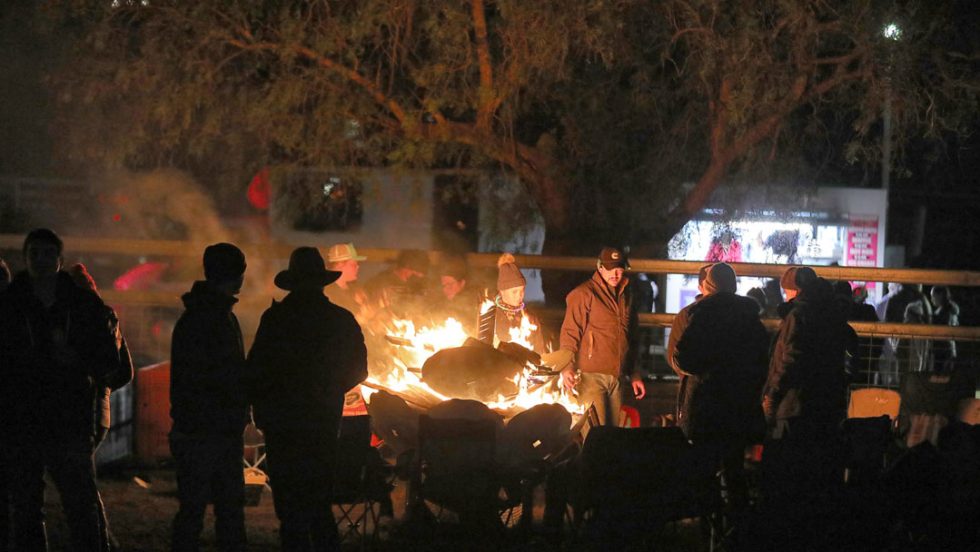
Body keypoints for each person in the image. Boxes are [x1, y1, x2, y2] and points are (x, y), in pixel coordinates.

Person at [0, 229, 118, 551]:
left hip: (60, 418)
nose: (41, 260)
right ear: (26, 258)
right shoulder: (13, 304)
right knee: (42, 506)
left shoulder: (75, 305)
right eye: (35, 253)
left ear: (59, 260)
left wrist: (77, 357)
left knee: (68, 504)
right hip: (32, 418)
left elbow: (107, 356)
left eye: (47, 253)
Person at [246, 247, 367, 551]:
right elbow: (358, 369)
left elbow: (256, 369)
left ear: (293, 282)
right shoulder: (340, 319)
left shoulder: (275, 319)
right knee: (318, 500)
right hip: (321, 420)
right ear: (321, 282)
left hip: (282, 423)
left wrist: (260, 409)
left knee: (289, 506)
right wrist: (329, 388)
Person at [667, 262, 769, 514]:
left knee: (704, 469)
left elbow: (682, 359)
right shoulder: (751, 319)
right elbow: (761, 365)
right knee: (734, 469)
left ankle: (708, 527)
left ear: (709, 285)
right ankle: (737, 528)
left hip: (706, 407)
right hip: (740, 408)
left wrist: (704, 370)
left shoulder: (701, 315)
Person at [169, 243, 249, 552]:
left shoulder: (194, 317)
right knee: (228, 513)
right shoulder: (219, 319)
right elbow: (224, 377)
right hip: (214, 430)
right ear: (238, 276)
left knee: (192, 511)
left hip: (194, 429)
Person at [761, 267, 857, 497]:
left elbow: (788, 361)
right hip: (826, 403)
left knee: (789, 469)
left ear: (796, 290)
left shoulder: (799, 315)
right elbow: (852, 358)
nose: (785, 296)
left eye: (787, 291)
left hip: (795, 405)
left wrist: (772, 396)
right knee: (817, 474)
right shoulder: (834, 313)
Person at [67, 263, 134, 552]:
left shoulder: (74, 318)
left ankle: (101, 542)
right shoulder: (107, 314)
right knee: (84, 482)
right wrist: (104, 389)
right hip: (99, 411)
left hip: (82, 411)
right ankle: (103, 541)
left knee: (81, 485)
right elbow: (125, 371)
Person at [559, 247, 645, 426]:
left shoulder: (626, 296)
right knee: (595, 434)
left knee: (611, 435)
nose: (615, 273)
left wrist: (634, 373)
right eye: (610, 268)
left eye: (619, 268)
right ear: (600, 268)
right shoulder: (584, 294)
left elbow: (632, 336)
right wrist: (567, 366)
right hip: (591, 376)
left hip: (617, 377)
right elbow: (570, 332)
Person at [481, 253, 546, 353]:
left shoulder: (530, 319)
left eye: (522, 290)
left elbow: (540, 352)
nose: (520, 295)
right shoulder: (489, 317)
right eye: (514, 291)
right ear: (502, 291)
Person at [364, 248, 429, 320]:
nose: (419, 277)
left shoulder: (416, 285)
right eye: (416, 273)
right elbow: (367, 308)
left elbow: (420, 306)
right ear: (407, 268)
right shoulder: (380, 281)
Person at [323, 242, 369, 316]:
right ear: (339, 265)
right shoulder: (327, 293)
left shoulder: (354, 290)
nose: (358, 267)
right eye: (353, 265)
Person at [930, 286, 960, 371]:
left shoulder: (942, 314)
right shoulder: (952, 311)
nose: (932, 299)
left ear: (940, 295)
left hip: (942, 350)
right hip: (950, 349)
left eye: (933, 296)